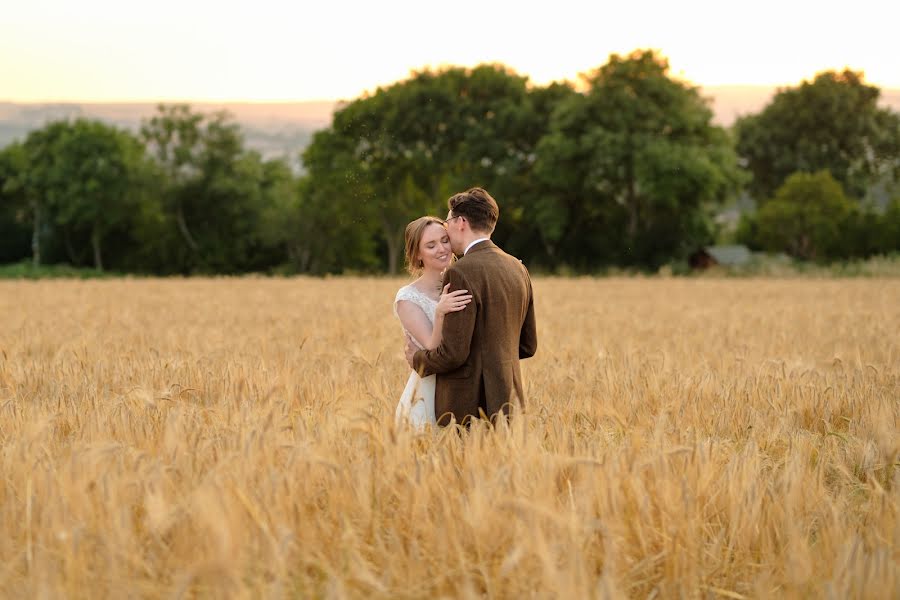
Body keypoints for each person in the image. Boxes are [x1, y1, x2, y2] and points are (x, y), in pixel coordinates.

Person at [405, 187, 537, 427]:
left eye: (447, 222)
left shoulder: (461, 272)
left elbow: (453, 354)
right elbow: (527, 346)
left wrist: (417, 358)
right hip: (510, 400)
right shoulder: (518, 268)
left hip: (467, 407)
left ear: (460, 222)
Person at [394, 216, 473, 429]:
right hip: (425, 396)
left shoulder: (463, 283)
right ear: (417, 254)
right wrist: (439, 312)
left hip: (462, 395)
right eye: (431, 245)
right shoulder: (407, 298)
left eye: (444, 240)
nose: (442, 249)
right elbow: (431, 346)